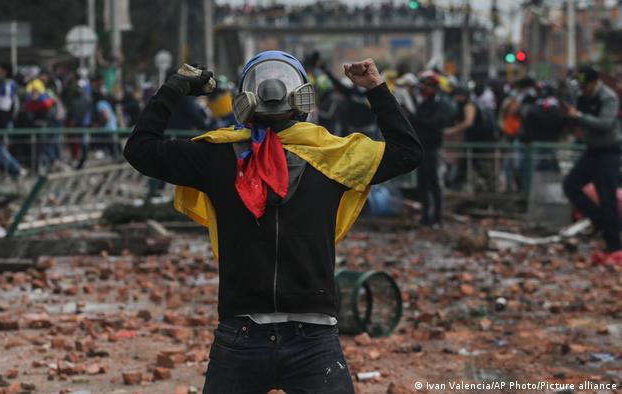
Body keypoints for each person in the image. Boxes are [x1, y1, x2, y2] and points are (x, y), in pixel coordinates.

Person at [124, 51, 422, 393]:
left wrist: (176, 87)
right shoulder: (336, 158)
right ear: (303, 98)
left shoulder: (217, 157)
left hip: (245, 334)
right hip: (311, 337)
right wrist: (374, 88)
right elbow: (407, 152)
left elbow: (140, 149)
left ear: (244, 99)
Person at [563, 65, 622, 253]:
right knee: (571, 185)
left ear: (595, 82)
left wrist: (579, 115)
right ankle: (598, 219)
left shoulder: (608, 97)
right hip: (592, 151)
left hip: (609, 152)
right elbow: (577, 122)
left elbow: (605, 123)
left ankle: (613, 243)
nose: (582, 89)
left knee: (608, 199)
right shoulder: (582, 97)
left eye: (585, 86)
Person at [410, 71, 451, 227]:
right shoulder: (423, 104)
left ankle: (437, 218)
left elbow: (433, 123)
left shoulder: (441, 105)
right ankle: (425, 217)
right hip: (422, 148)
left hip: (433, 149)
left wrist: (415, 118)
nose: (423, 88)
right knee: (423, 184)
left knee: (434, 184)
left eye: (426, 85)